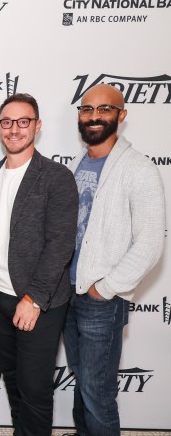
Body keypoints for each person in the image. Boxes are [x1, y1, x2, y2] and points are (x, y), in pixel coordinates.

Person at [0, 93, 78, 435]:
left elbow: (60, 244)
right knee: (14, 382)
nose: (14, 129)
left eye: (23, 122)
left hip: (37, 301)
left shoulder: (56, 177)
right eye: (7, 122)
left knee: (34, 391)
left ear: (37, 126)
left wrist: (34, 299)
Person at [63, 84, 165, 435]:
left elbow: (151, 242)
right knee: (83, 385)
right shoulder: (79, 165)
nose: (94, 116)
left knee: (98, 393)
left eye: (104, 109)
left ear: (121, 115)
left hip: (99, 301)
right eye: (87, 109)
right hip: (69, 296)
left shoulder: (139, 168)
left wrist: (105, 288)